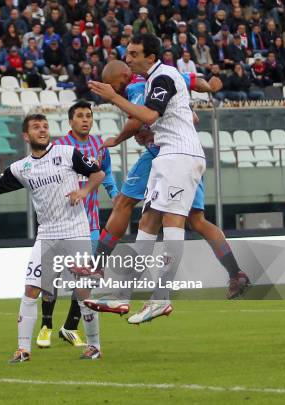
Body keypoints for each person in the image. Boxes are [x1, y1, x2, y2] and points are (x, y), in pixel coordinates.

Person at [0, 114, 106, 362]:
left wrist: (84, 190)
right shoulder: (21, 168)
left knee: (83, 291)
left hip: (76, 230)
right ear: (26, 136)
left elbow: (98, 173)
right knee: (30, 289)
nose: (42, 130)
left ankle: (94, 346)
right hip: (47, 235)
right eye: (36, 127)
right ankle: (23, 349)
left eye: (45, 127)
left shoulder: (67, 153)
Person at [88, 34, 206, 324]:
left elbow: (149, 116)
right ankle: (122, 295)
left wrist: (114, 97)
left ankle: (161, 297)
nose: (128, 58)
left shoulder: (163, 76)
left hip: (181, 154)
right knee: (146, 223)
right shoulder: (156, 78)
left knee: (172, 221)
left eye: (134, 53)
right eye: (128, 53)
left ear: (151, 57)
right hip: (168, 155)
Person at [36, 100, 118, 349]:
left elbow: (106, 172)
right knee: (52, 274)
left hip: (89, 224)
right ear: (70, 121)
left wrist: (115, 195)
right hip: (59, 222)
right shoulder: (58, 147)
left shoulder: (98, 146)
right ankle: (46, 326)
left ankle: (69, 327)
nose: (85, 120)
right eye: (80, 116)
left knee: (86, 279)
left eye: (89, 116)